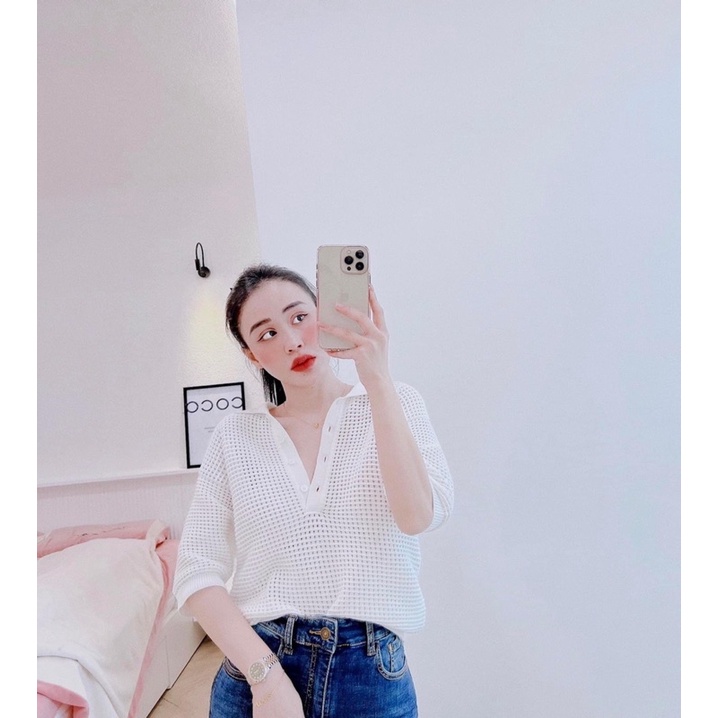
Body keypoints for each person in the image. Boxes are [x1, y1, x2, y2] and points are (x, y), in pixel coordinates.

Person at [173, 263, 454, 718]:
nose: (291, 340)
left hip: (370, 676)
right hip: (259, 669)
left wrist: (378, 380)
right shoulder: (235, 436)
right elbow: (196, 572)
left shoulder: (397, 401)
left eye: (299, 317)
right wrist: (265, 678)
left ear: (323, 316)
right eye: (267, 334)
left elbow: (417, 516)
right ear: (251, 355)